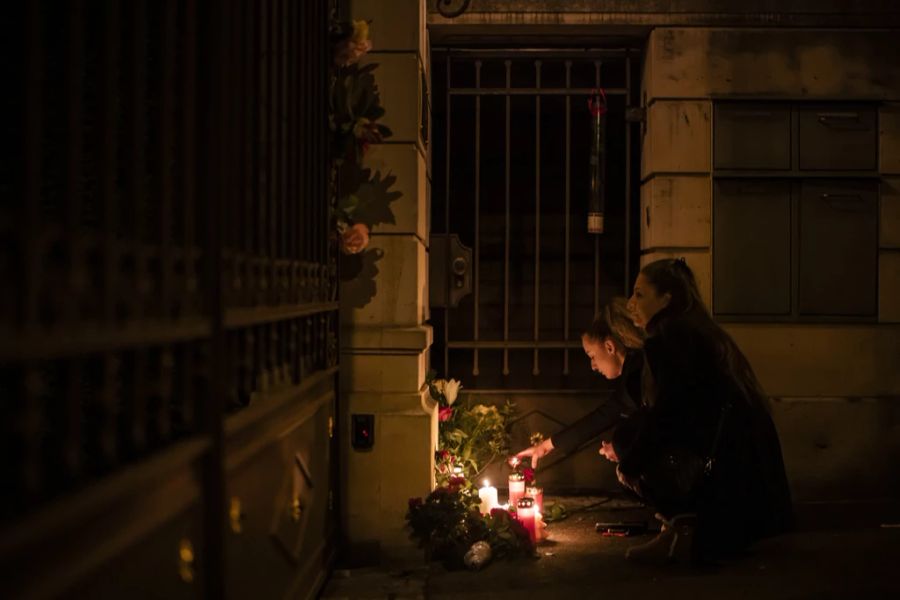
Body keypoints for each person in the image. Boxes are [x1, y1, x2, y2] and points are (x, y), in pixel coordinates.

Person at [613, 257, 793, 564]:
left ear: (666, 299)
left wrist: (629, 465)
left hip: (726, 470)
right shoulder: (697, 330)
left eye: (640, 294)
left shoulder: (671, 340)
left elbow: (668, 413)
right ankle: (681, 527)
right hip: (749, 473)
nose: (631, 303)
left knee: (629, 434)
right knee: (639, 431)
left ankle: (682, 527)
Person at [515, 298, 645, 469]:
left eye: (592, 356)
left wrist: (622, 447)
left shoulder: (638, 375)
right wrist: (545, 446)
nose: (593, 366)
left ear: (609, 347)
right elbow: (601, 417)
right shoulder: (634, 372)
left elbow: (653, 424)